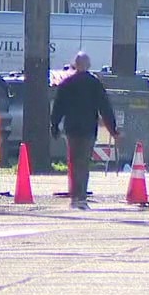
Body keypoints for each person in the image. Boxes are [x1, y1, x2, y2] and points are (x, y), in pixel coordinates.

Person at [50, 52, 120, 209]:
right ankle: (81, 196)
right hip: (88, 128)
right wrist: (113, 129)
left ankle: (75, 196)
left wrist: (54, 126)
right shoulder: (94, 83)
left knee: (73, 162)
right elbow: (105, 107)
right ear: (88, 65)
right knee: (83, 163)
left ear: (75, 64)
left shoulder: (66, 83)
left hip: (72, 128)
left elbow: (58, 107)